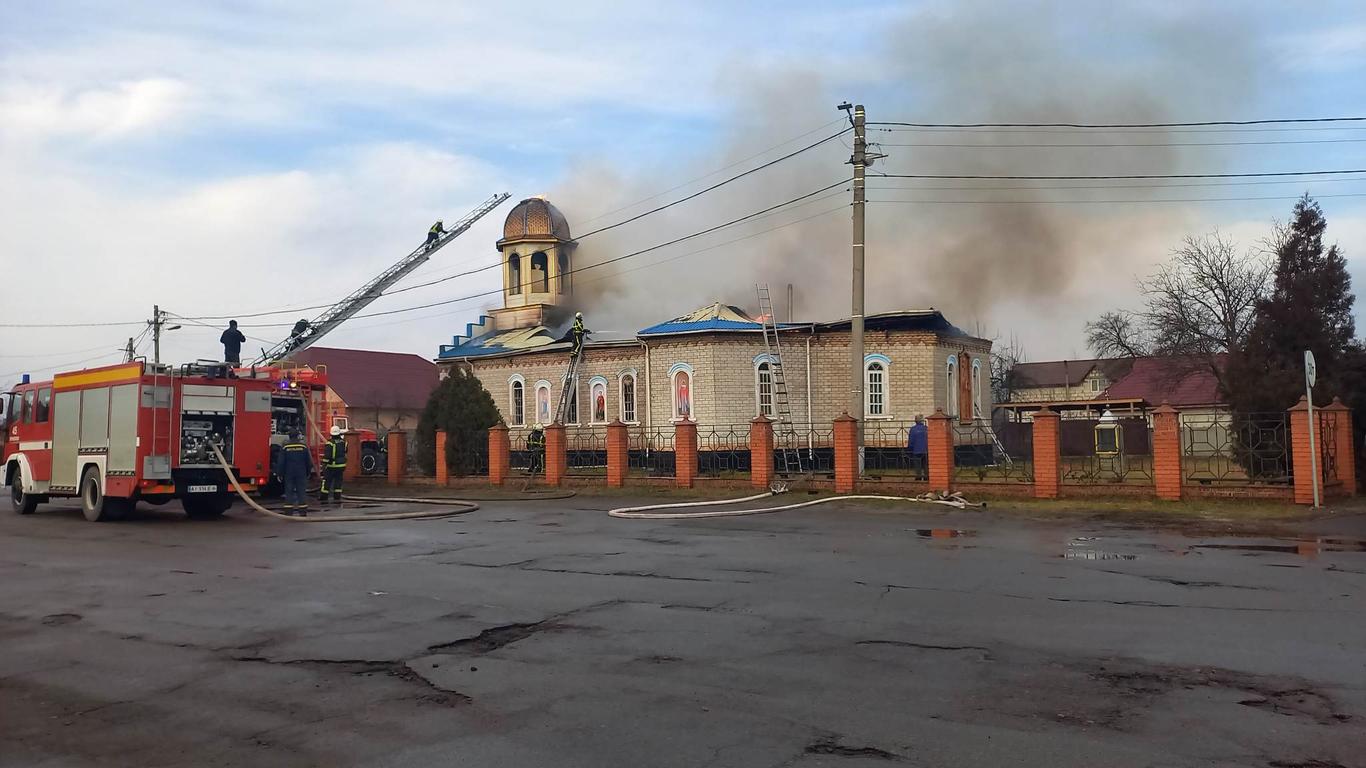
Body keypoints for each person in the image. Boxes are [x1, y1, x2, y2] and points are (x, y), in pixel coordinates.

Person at [273, 429, 313, 516]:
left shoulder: (285, 447)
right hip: (301, 473)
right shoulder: (303, 447)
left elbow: (281, 462)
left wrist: (279, 473)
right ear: (298, 436)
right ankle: (302, 511)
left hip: (289, 473)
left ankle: (288, 511)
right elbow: (308, 462)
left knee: (289, 491)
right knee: (301, 491)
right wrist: (308, 472)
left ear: (289, 436)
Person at [320, 425, 348, 504]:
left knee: (327, 482)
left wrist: (324, 465)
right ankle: (337, 497)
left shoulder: (330, 443)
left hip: (331, 466)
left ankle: (324, 497)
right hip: (341, 466)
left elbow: (327, 456)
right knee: (338, 482)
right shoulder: (344, 442)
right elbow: (345, 452)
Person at [907, 415, 928, 481]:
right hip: (926, 449)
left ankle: (918, 477)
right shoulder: (926, 428)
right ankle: (926, 476)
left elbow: (911, 440)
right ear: (922, 421)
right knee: (925, 464)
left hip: (916, 450)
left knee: (917, 464)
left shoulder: (913, 429)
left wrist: (910, 448)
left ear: (915, 421)